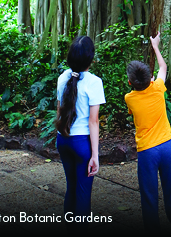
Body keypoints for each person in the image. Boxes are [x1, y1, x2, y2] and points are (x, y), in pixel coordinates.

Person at [125, 32, 171, 232]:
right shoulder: (158, 88)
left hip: (147, 151)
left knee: (149, 196)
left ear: (130, 82)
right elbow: (163, 68)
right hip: (166, 146)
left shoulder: (129, 98)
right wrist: (155, 46)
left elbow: (136, 95)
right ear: (150, 78)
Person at [56, 35, 105, 228]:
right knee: (83, 194)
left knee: (71, 188)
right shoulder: (94, 82)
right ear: (90, 59)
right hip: (81, 143)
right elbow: (93, 122)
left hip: (64, 140)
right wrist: (95, 155)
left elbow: (60, 111)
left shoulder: (62, 78)